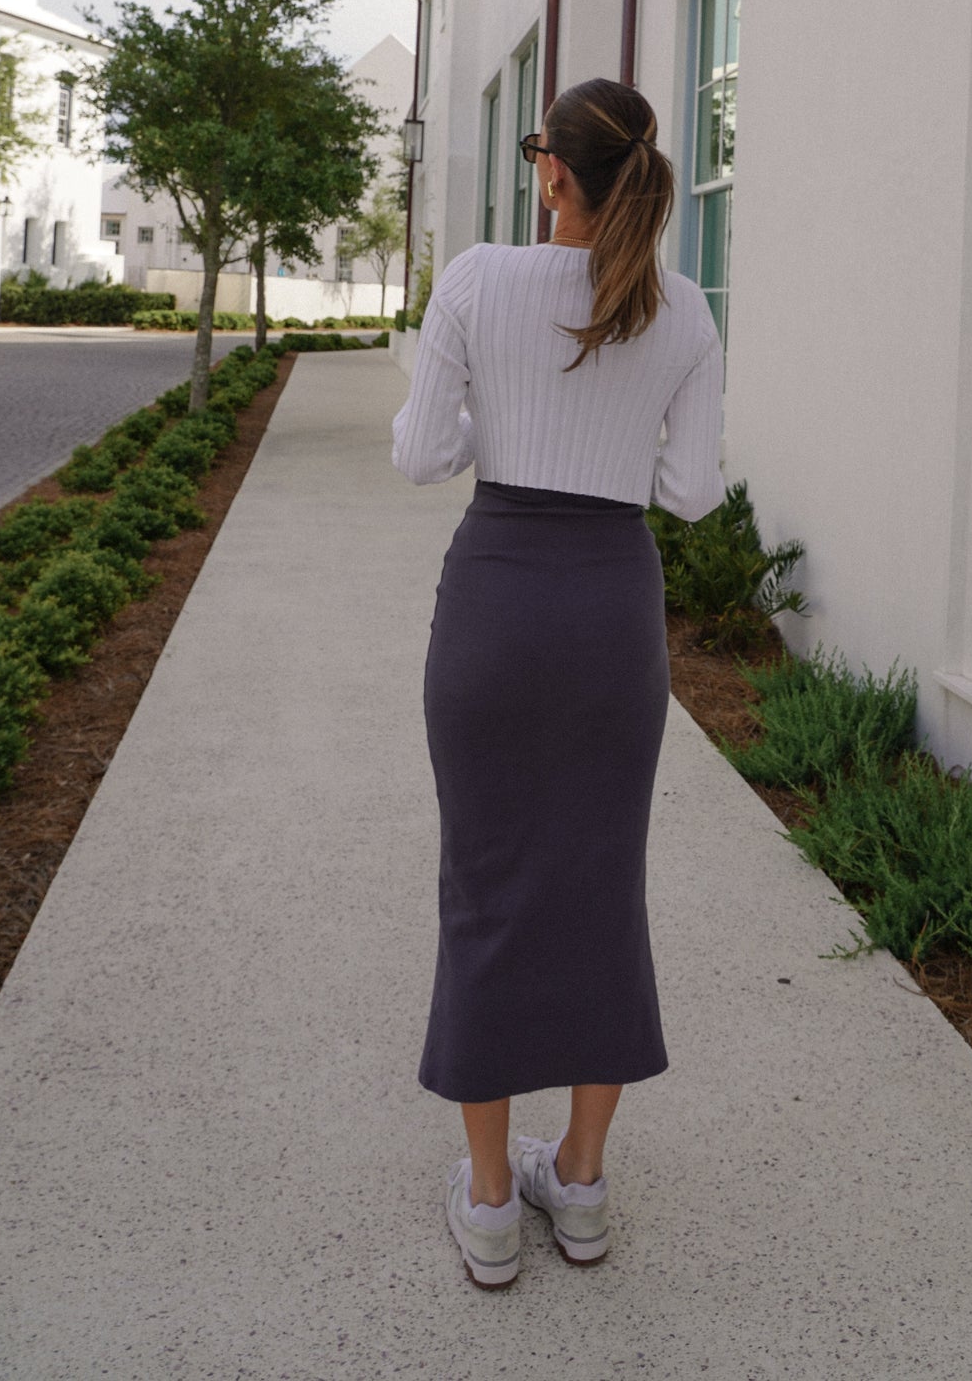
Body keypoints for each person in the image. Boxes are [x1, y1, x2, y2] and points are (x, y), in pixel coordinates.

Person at [392, 76, 725, 1289]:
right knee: (599, 885)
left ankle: (489, 1201)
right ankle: (577, 1183)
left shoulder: (479, 278)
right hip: (609, 615)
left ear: (552, 173)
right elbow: (689, 491)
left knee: (483, 883)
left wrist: (508, 424)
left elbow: (423, 451)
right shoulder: (683, 309)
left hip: (493, 601)